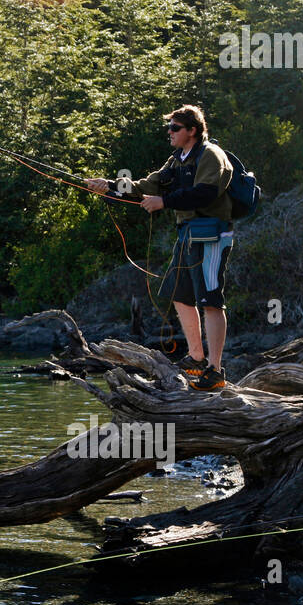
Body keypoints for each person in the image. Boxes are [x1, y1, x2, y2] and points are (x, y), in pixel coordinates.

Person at [84, 105, 234, 391]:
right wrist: (110, 186)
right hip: (188, 234)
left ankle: (215, 370)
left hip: (213, 234)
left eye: (175, 128)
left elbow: (206, 192)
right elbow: (146, 185)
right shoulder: (176, 160)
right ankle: (196, 357)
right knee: (179, 293)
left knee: (211, 300)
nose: (170, 132)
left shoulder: (212, 155)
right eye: (169, 127)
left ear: (192, 130)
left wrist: (164, 202)